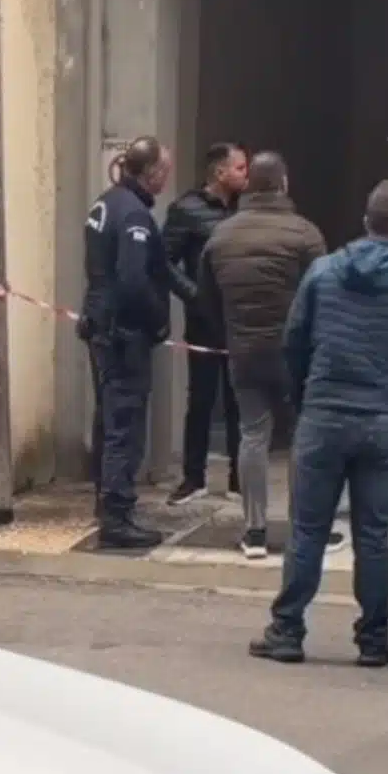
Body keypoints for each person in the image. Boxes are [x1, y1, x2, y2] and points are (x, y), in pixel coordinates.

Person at [250, 180, 388, 666]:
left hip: (324, 414)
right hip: (384, 419)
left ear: (365, 222)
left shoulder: (322, 273)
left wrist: (306, 398)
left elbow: (294, 342)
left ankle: (287, 631)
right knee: (373, 536)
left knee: (308, 531)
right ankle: (374, 640)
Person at [202, 151, 335, 559]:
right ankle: (302, 530)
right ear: (284, 184)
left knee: (252, 435)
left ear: (249, 185)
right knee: (301, 438)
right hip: (294, 354)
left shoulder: (221, 236)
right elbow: (324, 296)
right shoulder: (305, 234)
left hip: (243, 351)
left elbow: (206, 299)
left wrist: (230, 334)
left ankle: (254, 532)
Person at [79, 136, 176, 549]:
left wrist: (191, 293)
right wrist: (158, 321)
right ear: (151, 172)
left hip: (101, 327)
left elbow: (158, 268)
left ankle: (106, 502)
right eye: (164, 171)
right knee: (125, 425)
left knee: (108, 418)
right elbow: (134, 280)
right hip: (124, 335)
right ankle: (117, 517)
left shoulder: (106, 203)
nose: (166, 179)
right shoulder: (134, 213)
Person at [163, 141, 249, 505]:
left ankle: (239, 480)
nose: (246, 175)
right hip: (204, 319)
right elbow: (163, 261)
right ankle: (193, 477)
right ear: (220, 172)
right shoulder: (187, 209)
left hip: (241, 317)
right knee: (200, 397)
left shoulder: (247, 208)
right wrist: (193, 295)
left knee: (239, 400)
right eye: (240, 168)